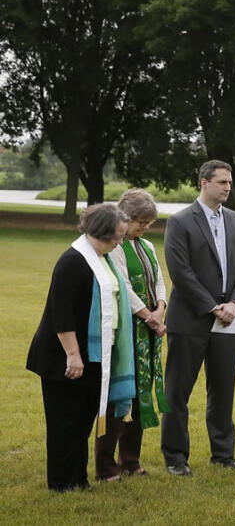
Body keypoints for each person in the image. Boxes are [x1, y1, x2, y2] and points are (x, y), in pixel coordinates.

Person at [27, 203, 132, 491]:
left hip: (96, 355)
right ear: (101, 232)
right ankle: (61, 483)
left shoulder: (103, 259)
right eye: (118, 237)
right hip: (64, 356)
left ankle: (79, 478)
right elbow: (62, 314)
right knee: (64, 423)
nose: (121, 242)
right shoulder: (73, 261)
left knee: (84, 421)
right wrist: (73, 355)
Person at [161, 159, 235, 475]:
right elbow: (181, 273)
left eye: (229, 182)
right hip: (190, 319)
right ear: (203, 182)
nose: (228, 187)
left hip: (229, 319)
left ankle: (223, 453)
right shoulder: (180, 221)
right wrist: (212, 306)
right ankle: (175, 457)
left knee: (223, 389)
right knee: (178, 391)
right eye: (222, 182)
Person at [95, 189, 169, 481]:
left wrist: (161, 306)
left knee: (141, 395)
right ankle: (106, 461)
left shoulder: (147, 246)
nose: (145, 227)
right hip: (127, 329)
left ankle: (130, 459)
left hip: (150, 328)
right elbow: (122, 285)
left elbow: (159, 280)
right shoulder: (115, 247)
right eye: (141, 221)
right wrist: (148, 315)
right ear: (125, 217)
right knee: (120, 394)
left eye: (149, 222)